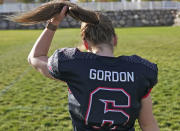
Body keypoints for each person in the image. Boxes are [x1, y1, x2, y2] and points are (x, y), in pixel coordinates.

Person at [12, 1, 160, 131]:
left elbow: (35, 57)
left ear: (85, 42)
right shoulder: (140, 71)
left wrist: (53, 24)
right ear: (114, 40)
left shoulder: (74, 65)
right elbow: (148, 125)